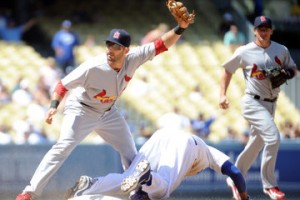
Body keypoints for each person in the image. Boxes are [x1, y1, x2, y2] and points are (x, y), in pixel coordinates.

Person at [16, 13, 193, 200]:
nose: (110, 50)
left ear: (125, 50)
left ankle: (137, 194)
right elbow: (62, 85)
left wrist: (180, 27)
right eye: (109, 44)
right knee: (63, 147)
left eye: (116, 46)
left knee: (132, 156)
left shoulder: (134, 58)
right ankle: (29, 192)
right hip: (81, 109)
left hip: (108, 112)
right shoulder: (94, 66)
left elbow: (161, 45)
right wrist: (53, 106)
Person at [219, 16, 298, 200]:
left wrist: (288, 73)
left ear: (271, 31)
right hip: (252, 102)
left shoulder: (281, 50)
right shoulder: (244, 51)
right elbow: (227, 70)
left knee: (256, 143)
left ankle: (235, 176)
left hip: (272, 103)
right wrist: (222, 94)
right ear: (254, 31)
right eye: (260, 28)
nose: (263, 31)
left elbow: (293, 68)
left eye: (266, 28)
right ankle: (270, 185)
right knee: (272, 138)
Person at [65, 128, 250, 200]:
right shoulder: (209, 151)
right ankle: (148, 176)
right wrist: (244, 195)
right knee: (162, 191)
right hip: (186, 143)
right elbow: (234, 171)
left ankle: (90, 185)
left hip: (161, 134)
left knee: (128, 180)